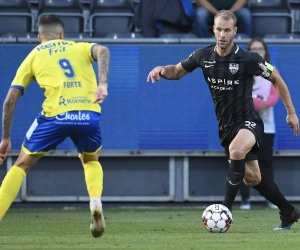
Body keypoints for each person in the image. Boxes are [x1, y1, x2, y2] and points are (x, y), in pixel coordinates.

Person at [147, 10, 300, 230]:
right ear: (213, 29)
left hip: (249, 121)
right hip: (226, 127)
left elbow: (276, 78)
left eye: (227, 30)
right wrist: (162, 69)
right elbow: (177, 71)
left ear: (235, 31)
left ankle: (224, 210)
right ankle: (289, 212)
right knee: (252, 178)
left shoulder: (249, 59)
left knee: (236, 151)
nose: (222, 34)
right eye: (219, 29)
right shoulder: (203, 56)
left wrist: (291, 112)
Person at [0, 14, 110, 238]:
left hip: (55, 117)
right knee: (90, 160)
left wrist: (5, 137)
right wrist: (102, 83)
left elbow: (11, 99)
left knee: (21, 165)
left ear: (39, 37)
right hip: (88, 115)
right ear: (62, 34)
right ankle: (95, 201)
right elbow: (104, 51)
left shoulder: (34, 55)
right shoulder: (79, 47)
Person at [239, 37, 280, 210]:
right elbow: (240, 95)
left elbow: (276, 92)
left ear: (265, 52)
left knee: (265, 163)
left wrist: (263, 104)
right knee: (242, 162)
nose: (257, 51)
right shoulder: (244, 70)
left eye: (260, 49)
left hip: (266, 127)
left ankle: (270, 198)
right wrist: (254, 103)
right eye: (254, 48)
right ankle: (245, 200)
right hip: (245, 128)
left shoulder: (271, 70)